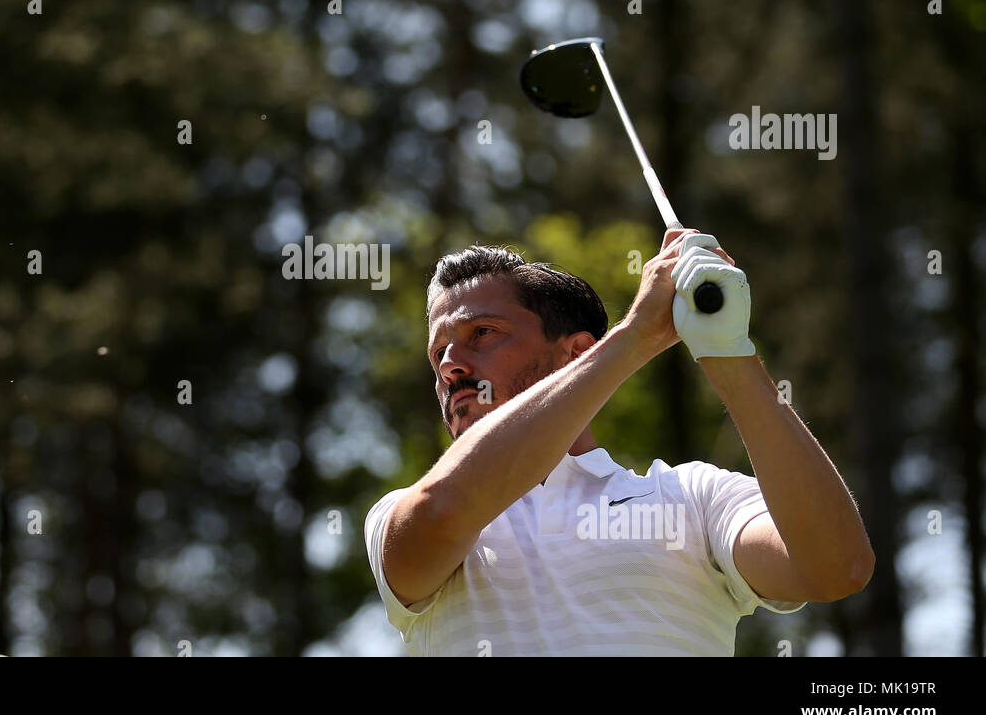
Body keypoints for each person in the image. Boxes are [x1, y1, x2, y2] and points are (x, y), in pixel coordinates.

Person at [363, 228, 874, 656]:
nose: (451, 364)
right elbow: (442, 511)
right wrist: (636, 337)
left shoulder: (693, 496)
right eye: (438, 355)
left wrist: (728, 352)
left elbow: (835, 568)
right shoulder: (398, 512)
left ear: (575, 354)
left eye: (483, 333)